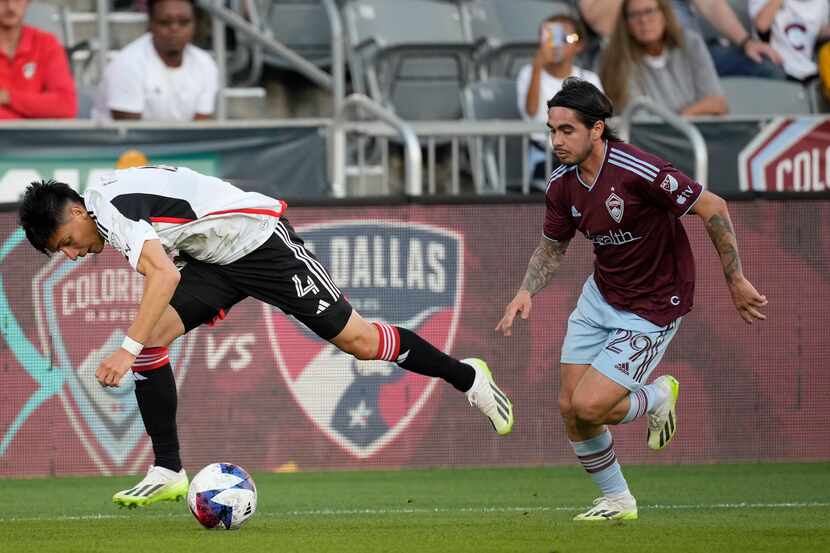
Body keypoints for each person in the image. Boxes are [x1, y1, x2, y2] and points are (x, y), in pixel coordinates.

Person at [17, 167, 514, 507]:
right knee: (152, 340)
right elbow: (178, 227)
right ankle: (168, 471)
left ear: (76, 213)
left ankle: (468, 376)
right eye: (59, 253)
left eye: (64, 244)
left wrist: (123, 351)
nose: (71, 255)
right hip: (217, 260)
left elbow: (162, 276)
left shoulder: (110, 209)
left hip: (261, 243)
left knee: (359, 343)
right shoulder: (103, 202)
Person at [496, 78, 766, 521]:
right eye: (552, 130)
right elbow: (552, 247)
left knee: (590, 405)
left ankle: (657, 397)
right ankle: (618, 501)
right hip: (602, 296)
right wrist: (525, 290)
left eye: (567, 131)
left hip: (654, 305)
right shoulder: (562, 184)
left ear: (597, 129)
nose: (557, 141)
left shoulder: (638, 170)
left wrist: (735, 278)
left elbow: (712, 206)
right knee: (570, 409)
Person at [580, 0, 784, 78]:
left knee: (766, 70)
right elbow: (597, 18)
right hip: (639, 59)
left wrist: (746, 41)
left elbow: (711, 5)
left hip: (693, 53)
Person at [516, 9, 602, 187]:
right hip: (545, 157)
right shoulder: (528, 74)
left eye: (566, 38)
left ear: (579, 45)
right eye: (550, 37)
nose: (557, 45)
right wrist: (537, 69)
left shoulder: (589, 78)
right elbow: (531, 115)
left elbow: (599, 121)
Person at [598, 0, 728, 116]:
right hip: (648, 140)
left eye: (649, 11)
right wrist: (688, 116)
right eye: (634, 15)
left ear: (665, 15)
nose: (643, 20)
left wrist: (683, 116)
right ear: (626, 23)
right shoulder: (618, 57)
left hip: (697, 136)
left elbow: (717, 103)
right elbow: (637, 117)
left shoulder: (691, 43)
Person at [93, 0, 218, 121]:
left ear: (195, 24)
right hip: (124, 142)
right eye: (165, 22)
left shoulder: (206, 64)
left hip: (180, 142)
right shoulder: (126, 64)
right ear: (150, 24)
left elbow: (200, 130)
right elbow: (129, 134)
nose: (174, 29)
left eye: (184, 22)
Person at [0, 0, 77, 119]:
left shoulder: (47, 44)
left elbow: (66, 105)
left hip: (39, 136)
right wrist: (37, 108)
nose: (10, 6)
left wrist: (7, 98)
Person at [749, 0, 830, 83]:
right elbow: (762, 26)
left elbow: (816, 33)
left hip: (807, 69)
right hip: (775, 65)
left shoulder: (822, 3)